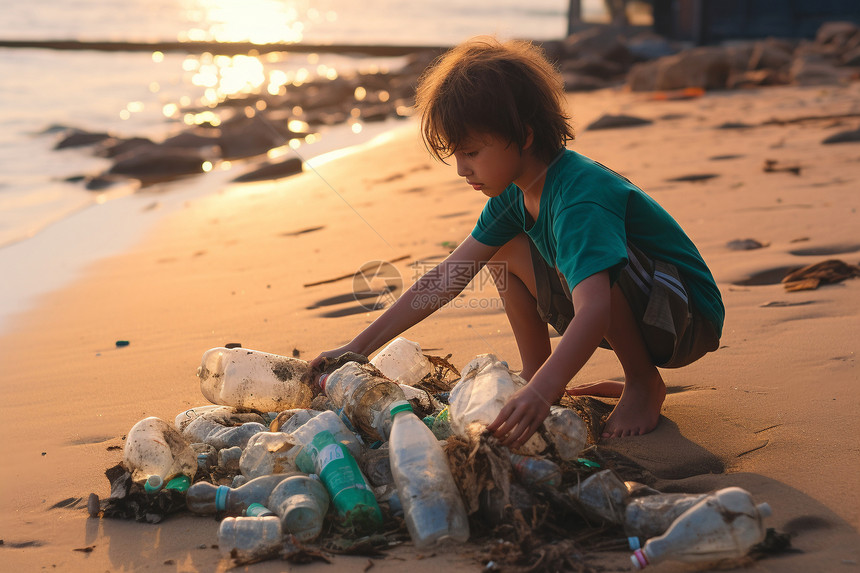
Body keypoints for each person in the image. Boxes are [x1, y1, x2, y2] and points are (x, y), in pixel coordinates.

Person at [312, 37, 723, 446]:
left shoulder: (578, 197)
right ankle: (536, 367)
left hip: (684, 315)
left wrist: (542, 395)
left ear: (524, 136)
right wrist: (357, 348)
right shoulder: (514, 192)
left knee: (587, 258)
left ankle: (642, 382)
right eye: (456, 155)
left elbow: (595, 308)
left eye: (471, 152)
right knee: (502, 250)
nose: (461, 169)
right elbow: (446, 278)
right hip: (642, 305)